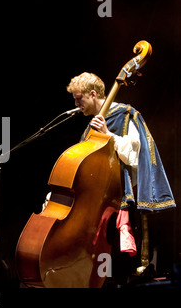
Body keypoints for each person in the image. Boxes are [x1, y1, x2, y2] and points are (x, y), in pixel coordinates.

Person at [66, 72, 176, 284]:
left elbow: (136, 155)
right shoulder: (90, 128)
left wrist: (108, 135)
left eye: (79, 98)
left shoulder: (125, 114)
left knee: (114, 264)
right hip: (94, 205)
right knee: (98, 265)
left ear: (92, 94)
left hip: (118, 201)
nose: (76, 103)